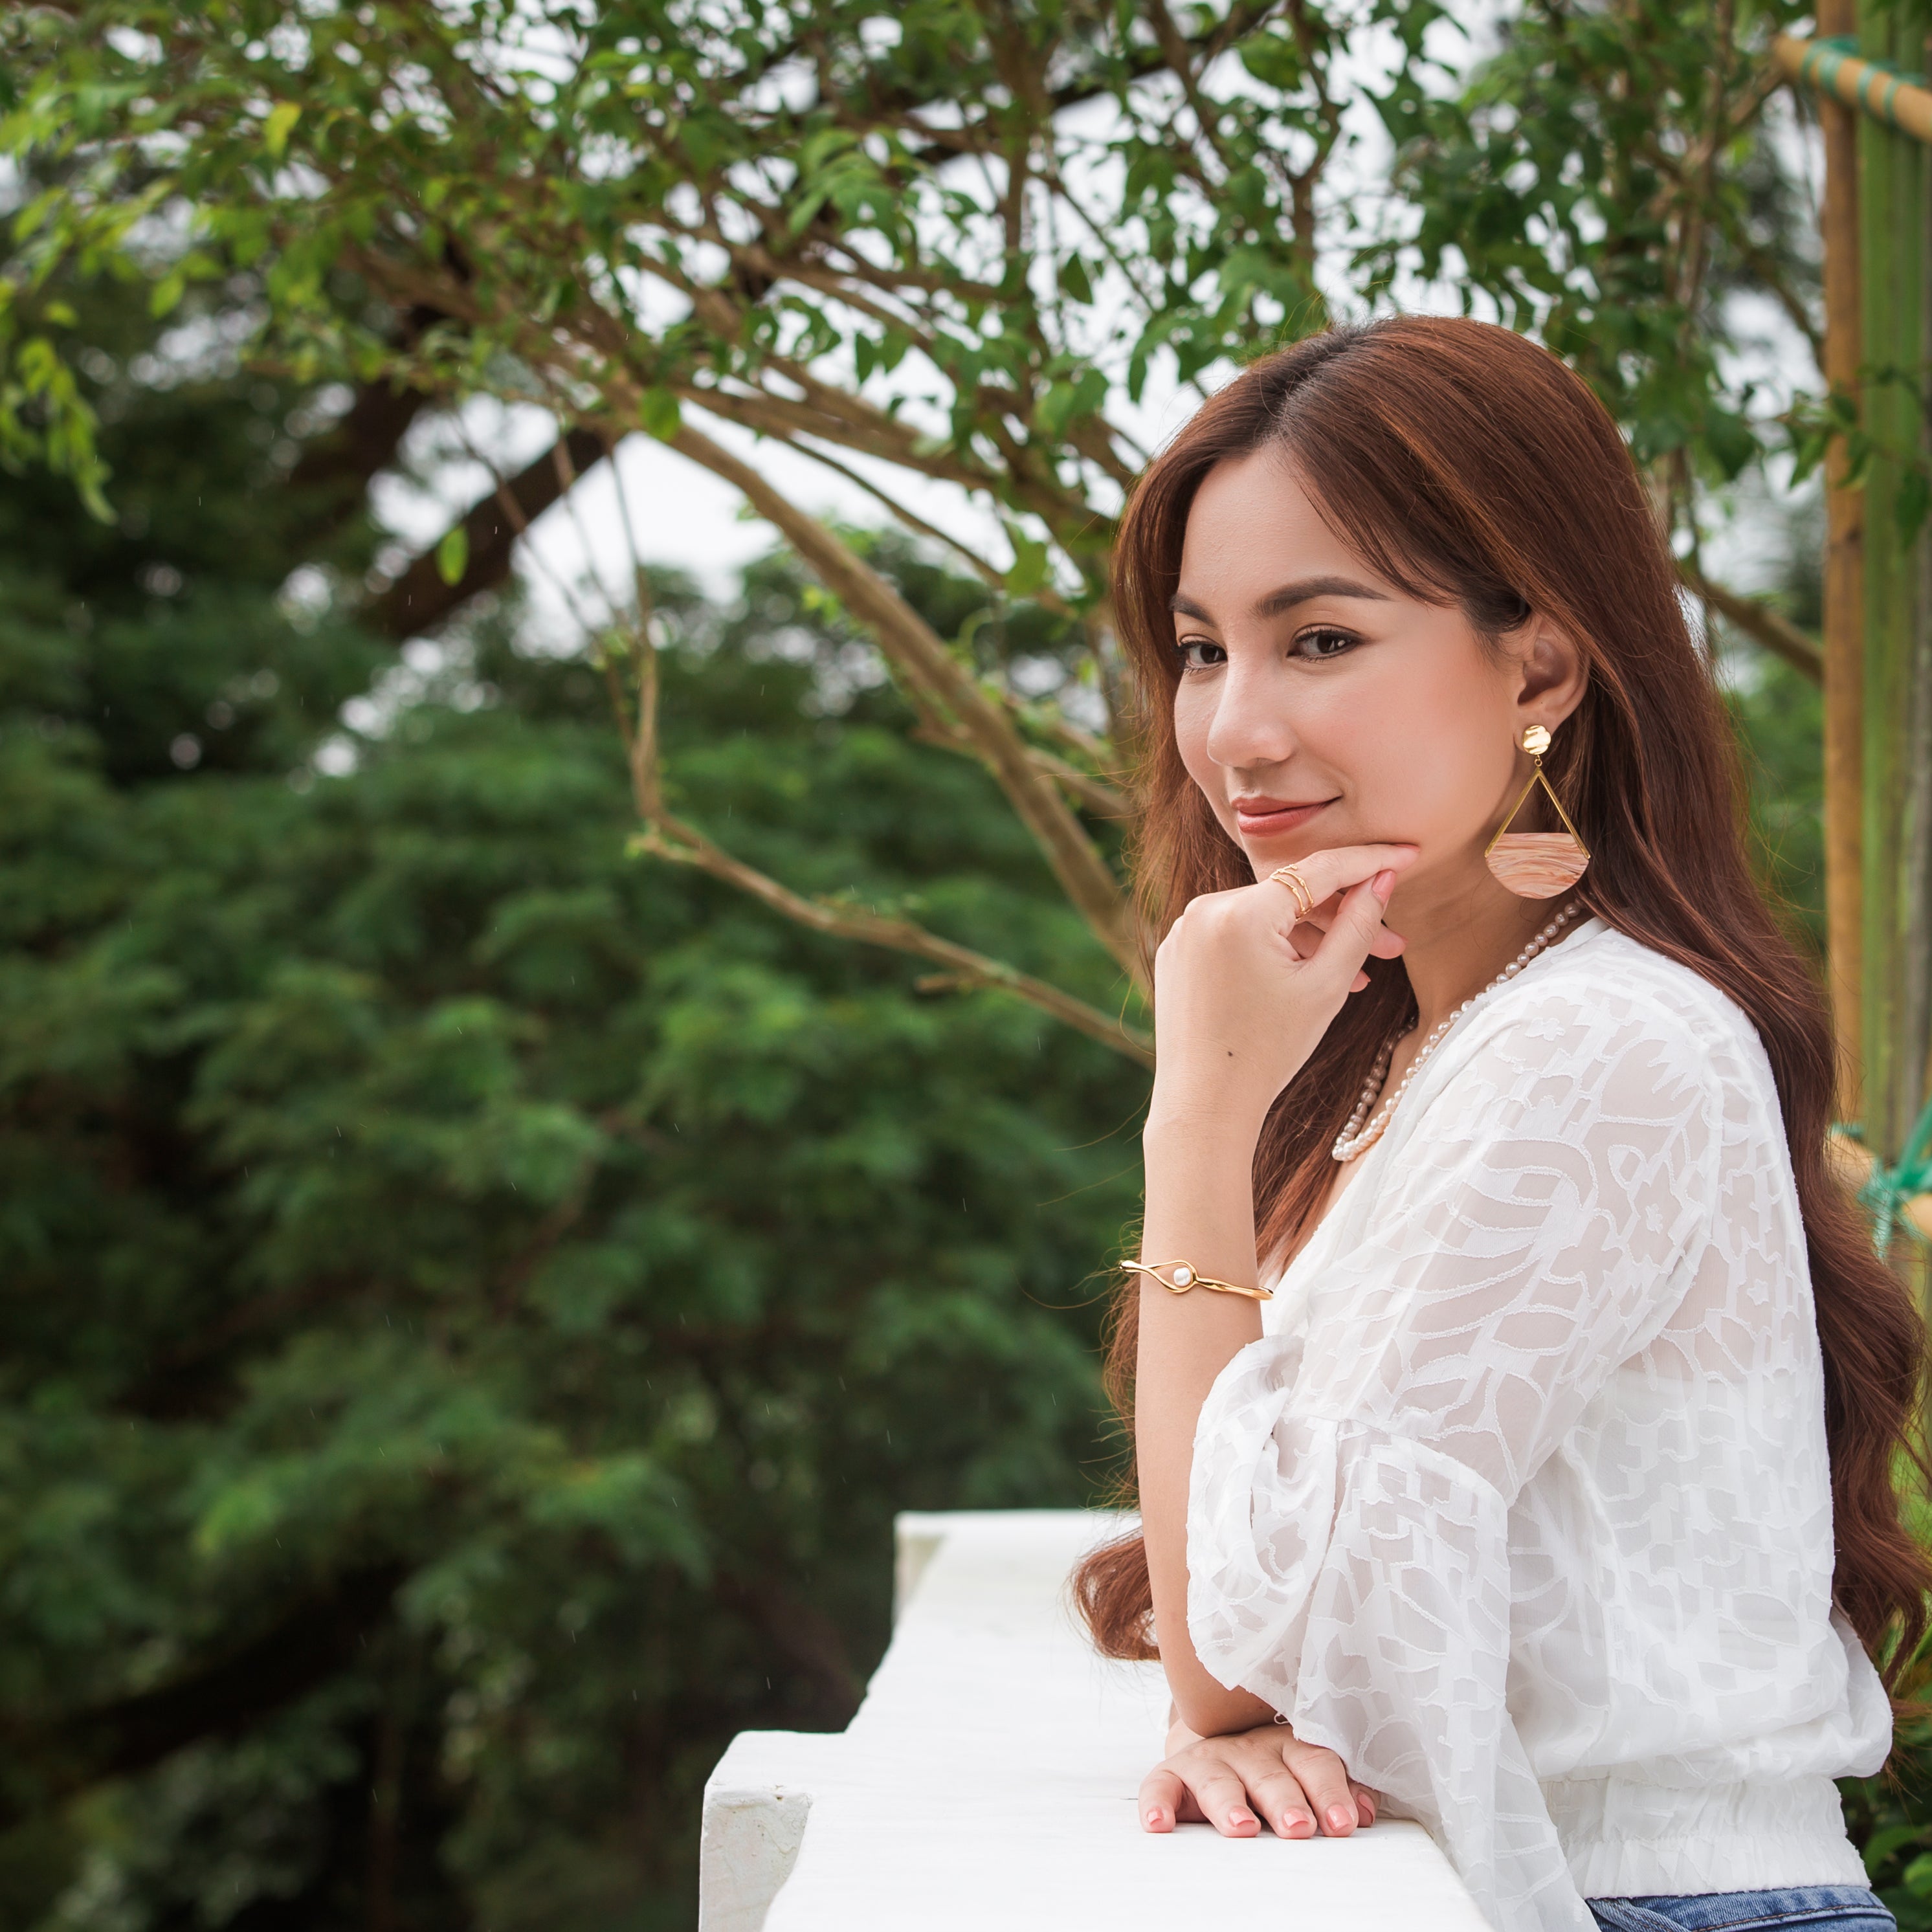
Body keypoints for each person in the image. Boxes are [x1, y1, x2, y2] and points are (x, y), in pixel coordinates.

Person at [1071, 316, 1930, 1932]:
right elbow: (1245, 1641)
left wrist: (1194, 1119)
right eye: (1200, 649)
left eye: (1317, 639)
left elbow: (1250, 1653)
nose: (1235, 733)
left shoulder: (1600, 1042)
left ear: (1536, 662)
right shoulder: (1422, 1047)